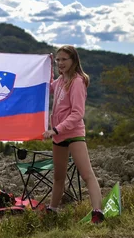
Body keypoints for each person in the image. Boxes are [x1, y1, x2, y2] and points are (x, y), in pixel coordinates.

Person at [42, 45, 104, 224]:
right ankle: (52, 211)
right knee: (58, 176)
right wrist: (46, 67)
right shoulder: (61, 80)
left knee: (87, 174)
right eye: (58, 60)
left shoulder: (77, 82)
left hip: (73, 134)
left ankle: (97, 212)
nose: (60, 63)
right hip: (59, 136)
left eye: (64, 60)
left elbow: (78, 113)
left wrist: (56, 129)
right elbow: (48, 88)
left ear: (74, 61)